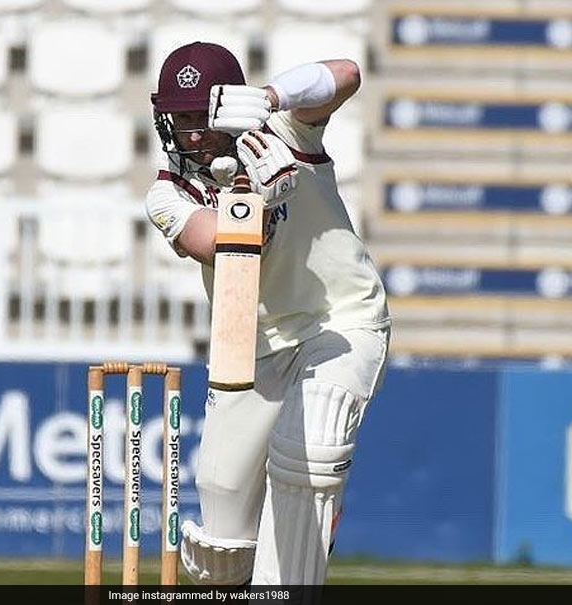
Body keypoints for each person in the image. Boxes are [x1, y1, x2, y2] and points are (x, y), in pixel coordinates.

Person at [146, 41, 391, 586]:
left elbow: (348, 73)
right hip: (250, 350)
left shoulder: (287, 132)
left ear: (228, 106)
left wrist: (270, 97)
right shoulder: (168, 194)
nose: (190, 133)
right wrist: (257, 192)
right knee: (221, 541)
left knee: (313, 447)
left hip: (339, 323)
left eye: (200, 116)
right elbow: (217, 242)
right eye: (178, 118)